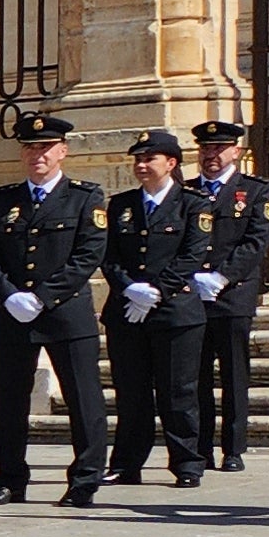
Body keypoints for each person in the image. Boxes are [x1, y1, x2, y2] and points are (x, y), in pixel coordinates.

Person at [0, 113, 110, 507]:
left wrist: (43, 296)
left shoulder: (85, 197)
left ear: (63, 152)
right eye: (30, 147)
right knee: (9, 401)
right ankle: (10, 479)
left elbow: (88, 255)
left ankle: (85, 480)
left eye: (46, 148)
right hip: (13, 314)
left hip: (65, 313)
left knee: (83, 399)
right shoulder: (4, 199)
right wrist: (9, 295)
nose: (38, 155)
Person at [103, 127, 221, 487]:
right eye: (137, 158)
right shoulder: (121, 205)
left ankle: (187, 463)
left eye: (148, 158)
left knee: (178, 392)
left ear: (170, 163)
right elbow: (109, 257)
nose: (141, 164)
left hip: (175, 313)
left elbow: (193, 254)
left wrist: (155, 292)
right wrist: (129, 289)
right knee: (131, 392)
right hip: (128, 312)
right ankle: (126, 463)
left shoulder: (194, 203)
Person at [191, 122, 269, 471]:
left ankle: (233, 448)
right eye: (206, 149)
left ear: (236, 152)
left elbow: (256, 242)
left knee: (233, 374)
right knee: (195, 377)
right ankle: (200, 448)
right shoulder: (188, 191)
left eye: (219, 149)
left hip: (233, 296)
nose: (212, 155)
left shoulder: (255, 191)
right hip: (193, 294)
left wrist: (222, 276)